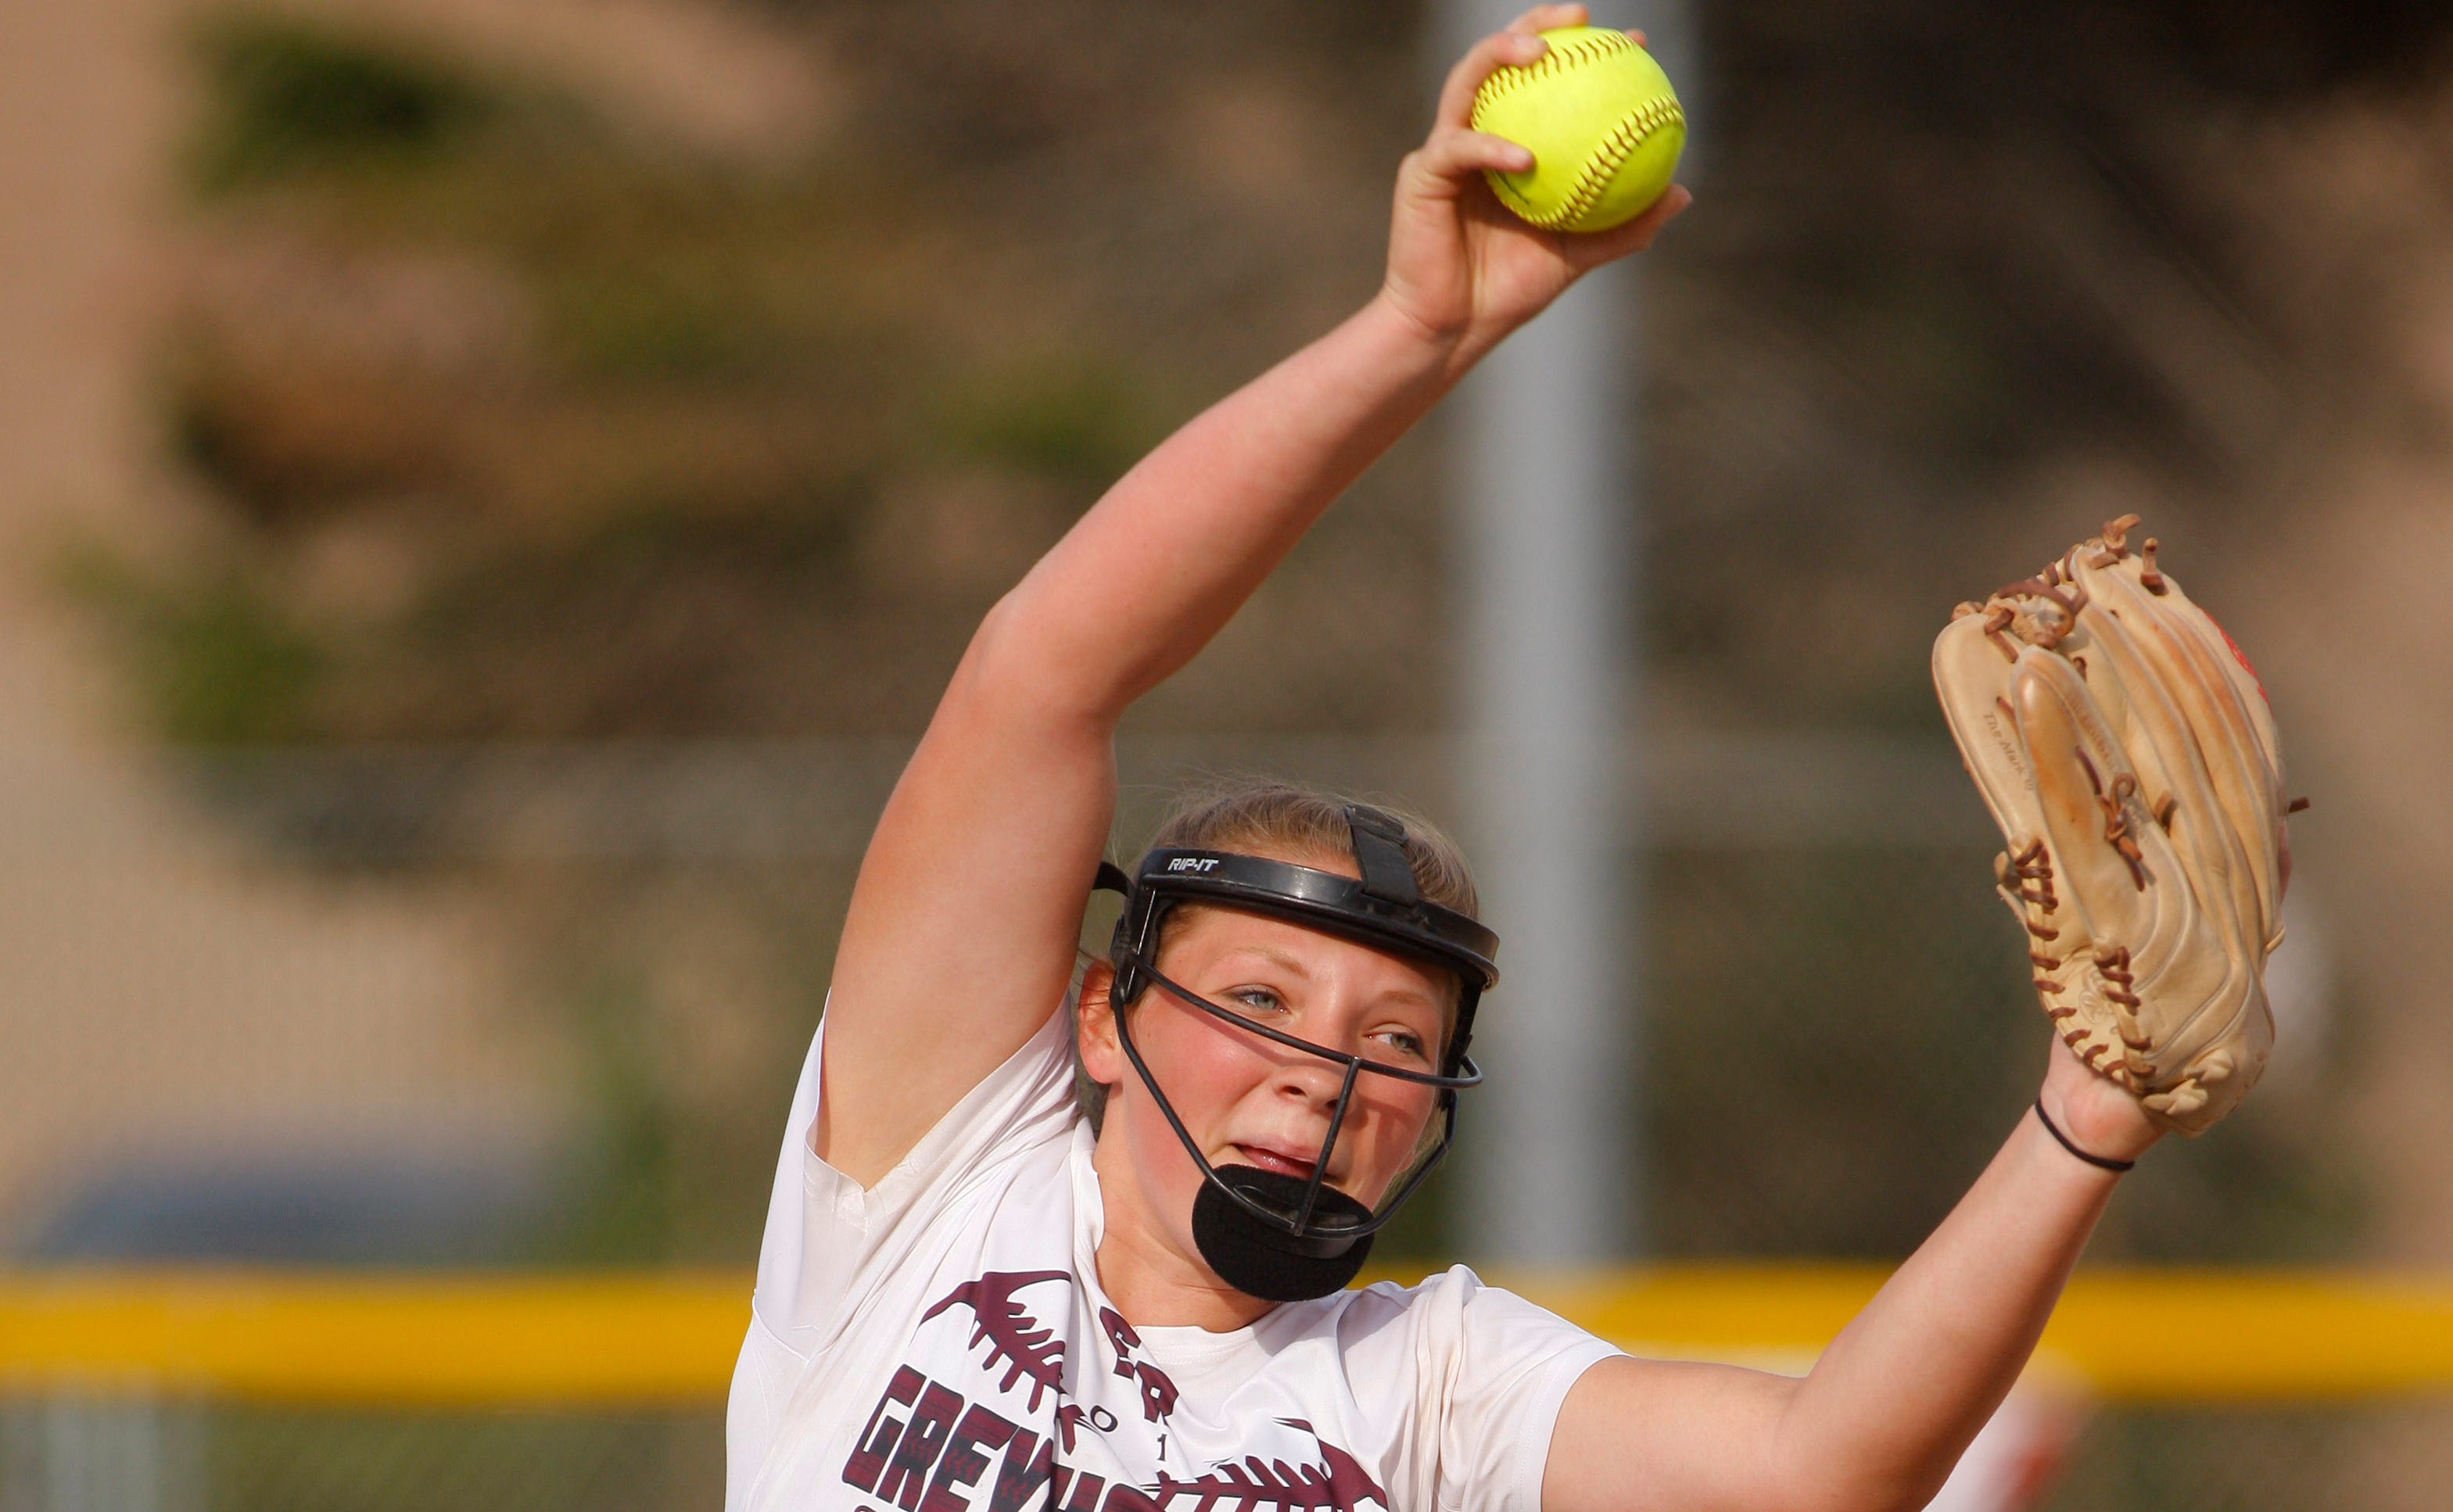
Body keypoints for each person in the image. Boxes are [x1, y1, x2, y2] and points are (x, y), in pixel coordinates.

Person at [726, 9, 2166, 1510]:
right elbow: (1043, 667)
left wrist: (2085, 1117)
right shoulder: (939, 1195)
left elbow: (1821, 1470)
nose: (1327, 1073)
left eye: (1399, 1040)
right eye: (1262, 997)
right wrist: (1420, 333)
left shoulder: (1426, 1383)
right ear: (1104, 1014)